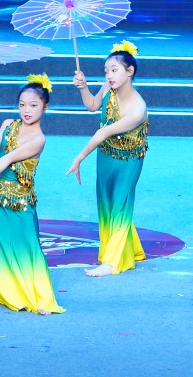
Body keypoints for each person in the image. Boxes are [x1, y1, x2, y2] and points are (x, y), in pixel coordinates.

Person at [0, 76, 64, 315]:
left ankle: (39, 298)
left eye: (34, 105)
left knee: (28, 248)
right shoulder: (8, 124)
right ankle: (10, 293)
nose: (27, 110)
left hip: (21, 203)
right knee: (3, 247)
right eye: (22, 104)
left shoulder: (38, 139)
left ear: (45, 107)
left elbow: (7, 159)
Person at [66, 41, 148, 277]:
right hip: (106, 154)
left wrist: (79, 158)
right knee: (106, 203)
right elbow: (92, 105)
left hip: (129, 160)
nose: (109, 76)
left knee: (121, 203)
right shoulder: (108, 87)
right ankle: (129, 249)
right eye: (106, 71)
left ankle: (112, 262)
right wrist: (83, 87)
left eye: (114, 70)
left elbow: (102, 132)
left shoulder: (137, 109)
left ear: (130, 71)